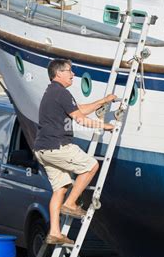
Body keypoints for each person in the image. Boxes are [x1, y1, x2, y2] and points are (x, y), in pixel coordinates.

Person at [34, 59, 116, 245]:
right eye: (70, 71)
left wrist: (103, 101)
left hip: (42, 149)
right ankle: (71, 204)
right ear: (59, 74)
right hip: (57, 145)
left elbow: (79, 110)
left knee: (60, 188)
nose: (73, 74)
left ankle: (54, 232)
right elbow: (81, 120)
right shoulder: (62, 92)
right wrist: (105, 126)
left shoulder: (52, 92)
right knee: (91, 165)